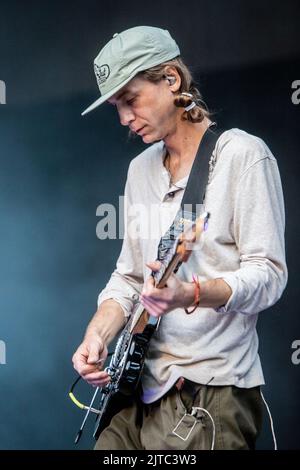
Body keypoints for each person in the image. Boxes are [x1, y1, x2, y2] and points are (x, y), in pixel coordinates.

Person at [72, 25, 288, 450]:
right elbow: (130, 279)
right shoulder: (140, 170)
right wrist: (97, 335)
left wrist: (189, 292)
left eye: (130, 101)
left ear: (171, 79)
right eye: (116, 106)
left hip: (213, 391)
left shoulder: (241, 157)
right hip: (138, 389)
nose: (124, 119)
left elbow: (269, 276)